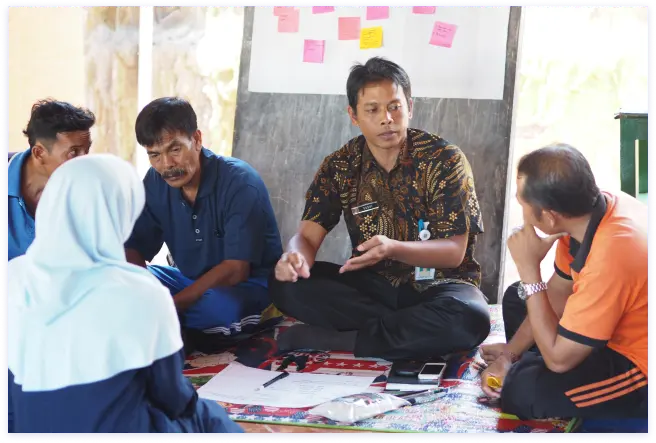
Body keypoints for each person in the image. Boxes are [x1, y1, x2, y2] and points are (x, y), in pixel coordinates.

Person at [269, 57, 491, 361]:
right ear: (354, 116)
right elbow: (307, 237)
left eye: (394, 107)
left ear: (410, 107)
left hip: (439, 286)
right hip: (374, 289)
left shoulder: (444, 159)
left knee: (470, 318)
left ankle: (341, 339)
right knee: (286, 286)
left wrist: (393, 248)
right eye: (372, 110)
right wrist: (293, 258)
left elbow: (454, 251)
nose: (387, 118)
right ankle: (400, 333)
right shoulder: (341, 165)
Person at [8, 154, 243, 433]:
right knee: (208, 417)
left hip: (27, 427)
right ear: (123, 211)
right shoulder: (140, 292)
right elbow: (173, 399)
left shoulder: (14, 276)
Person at [480, 144, 648, 420]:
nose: (521, 211)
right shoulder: (587, 214)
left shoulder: (612, 255)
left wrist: (529, 268)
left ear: (548, 215)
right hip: (604, 324)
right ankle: (532, 358)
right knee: (517, 297)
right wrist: (508, 356)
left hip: (636, 360)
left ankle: (534, 363)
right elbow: (558, 293)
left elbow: (558, 362)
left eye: (523, 204)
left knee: (524, 391)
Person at [125, 97, 283, 350]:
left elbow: (236, 269)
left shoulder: (240, 182)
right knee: (116, 282)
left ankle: (164, 326)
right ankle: (172, 326)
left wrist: (169, 305)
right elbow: (134, 249)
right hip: (188, 281)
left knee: (220, 309)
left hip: (245, 287)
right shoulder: (155, 182)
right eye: (154, 155)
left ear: (197, 140)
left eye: (175, 150)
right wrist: (141, 294)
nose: (166, 165)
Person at [8, 99, 95, 261]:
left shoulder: (89, 189)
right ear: (39, 153)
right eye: (74, 152)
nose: (84, 160)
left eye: (87, 150)